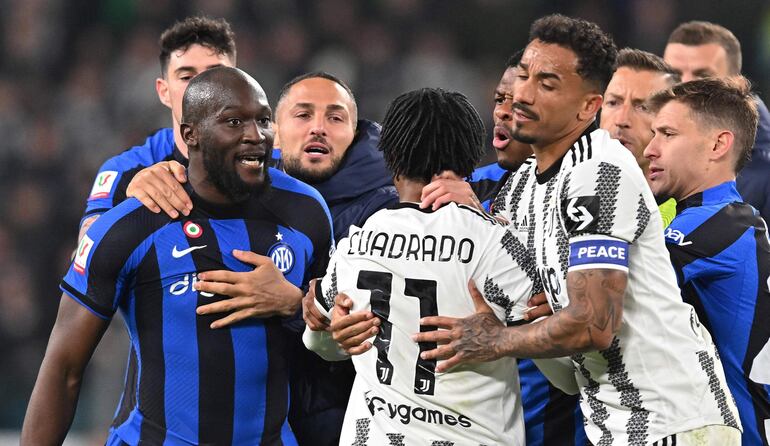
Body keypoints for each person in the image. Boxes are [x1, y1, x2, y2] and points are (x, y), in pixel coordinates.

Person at [412, 14, 741, 445]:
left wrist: (497, 340)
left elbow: (593, 325)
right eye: (524, 76)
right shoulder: (520, 190)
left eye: (547, 84)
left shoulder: (600, 170)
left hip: (674, 422)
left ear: (588, 107)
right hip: (613, 427)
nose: (522, 95)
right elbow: (568, 371)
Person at [21, 67, 333, 445]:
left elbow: (339, 341)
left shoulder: (307, 211)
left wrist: (296, 304)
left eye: (264, 120)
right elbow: (63, 369)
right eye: (234, 122)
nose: (255, 135)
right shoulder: (130, 227)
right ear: (190, 135)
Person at [304, 87, 540, 445]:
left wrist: (331, 334)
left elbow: (318, 341)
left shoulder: (357, 243)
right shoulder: (494, 243)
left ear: (390, 156)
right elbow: (564, 369)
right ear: (469, 159)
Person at [645, 77, 770, 446]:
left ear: (718, 144)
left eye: (668, 134)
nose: (650, 149)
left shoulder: (713, 225)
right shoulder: (736, 222)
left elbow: (608, 292)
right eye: (653, 134)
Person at [79, 16, 236, 241]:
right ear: (164, 92)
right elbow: (83, 251)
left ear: (241, 84)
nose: (201, 88)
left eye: (214, 74)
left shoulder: (274, 155)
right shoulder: (126, 171)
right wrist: (131, 208)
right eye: (186, 77)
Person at [664, 21, 770, 224]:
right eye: (675, 75)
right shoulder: (653, 148)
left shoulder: (764, 169)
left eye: (703, 76)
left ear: (737, 84)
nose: (685, 86)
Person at [600, 48, 680, 226]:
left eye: (642, 107)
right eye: (613, 103)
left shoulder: (684, 217)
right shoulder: (563, 191)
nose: (621, 120)